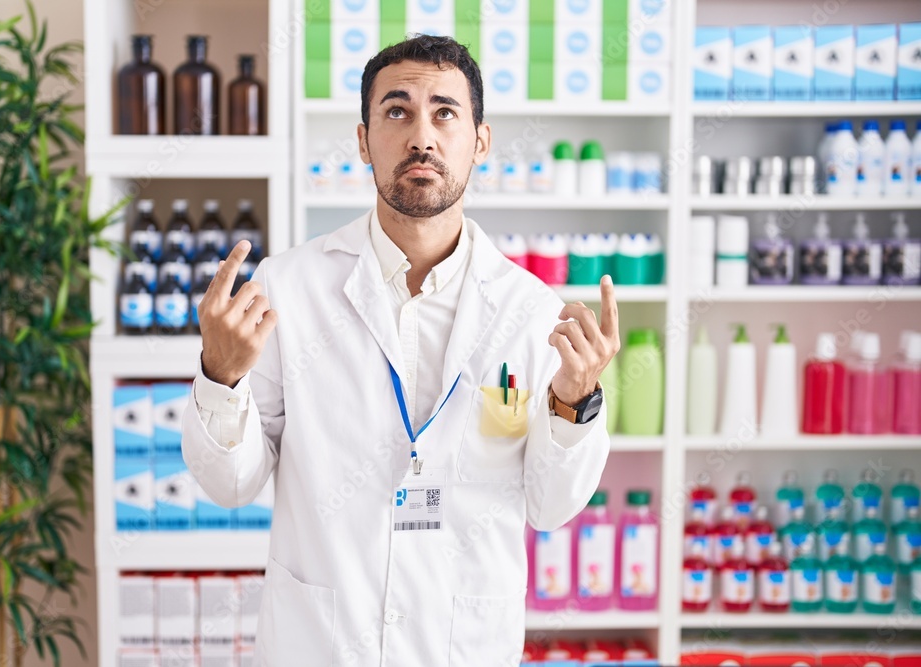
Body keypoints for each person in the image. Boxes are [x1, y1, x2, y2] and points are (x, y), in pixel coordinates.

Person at [182, 35, 617, 666]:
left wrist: (575, 403)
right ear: (363, 141)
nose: (422, 136)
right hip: (324, 643)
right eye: (397, 111)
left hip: (463, 645)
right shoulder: (287, 289)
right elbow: (231, 485)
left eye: (445, 112)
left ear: (480, 141)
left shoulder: (531, 311)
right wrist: (221, 375)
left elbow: (552, 508)